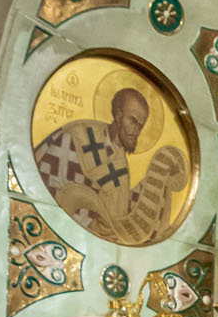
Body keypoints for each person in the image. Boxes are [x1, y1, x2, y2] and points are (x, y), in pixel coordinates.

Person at [32, 88, 188, 247]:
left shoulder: (120, 161)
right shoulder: (79, 136)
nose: (136, 131)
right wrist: (87, 221)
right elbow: (46, 183)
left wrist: (157, 178)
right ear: (118, 115)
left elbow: (118, 216)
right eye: (133, 121)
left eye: (141, 126)